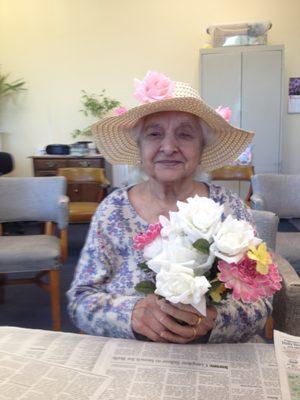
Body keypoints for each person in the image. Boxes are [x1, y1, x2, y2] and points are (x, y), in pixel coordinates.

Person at [67, 71, 271, 343]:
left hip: (208, 355)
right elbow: (80, 300)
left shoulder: (229, 209)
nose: (169, 147)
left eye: (185, 135)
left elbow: (262, 304)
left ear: (202, 149)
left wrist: (213, 321)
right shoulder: (112, 211)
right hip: (129, 357)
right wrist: (132, 314)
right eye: (154, 134)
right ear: (139, 148)